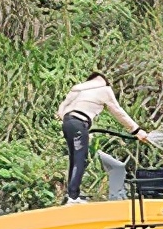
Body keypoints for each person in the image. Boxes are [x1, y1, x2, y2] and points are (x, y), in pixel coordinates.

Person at [56, 72, 149, 204]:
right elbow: (118, 111)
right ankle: (73, 197)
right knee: (80, 159)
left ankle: (72, 195)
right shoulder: (104, 89)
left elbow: (61, 109)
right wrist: (136, 130)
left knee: (75, 158)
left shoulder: (81, 91)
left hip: (68, 122)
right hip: (79, 123)